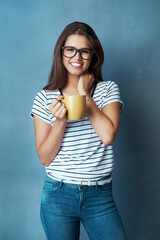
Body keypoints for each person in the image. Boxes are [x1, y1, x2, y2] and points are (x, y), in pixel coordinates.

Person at [31, 21, 127, 240]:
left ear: (93, 55)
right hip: (58, 194)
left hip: (99, 195)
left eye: (84, 51)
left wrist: (86, 95)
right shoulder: (44, 97)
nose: (77, 57)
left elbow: (108, 135)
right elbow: (45, 157)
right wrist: (60, 121)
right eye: (70, 50)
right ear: (61, 53)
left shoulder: (108, 89)